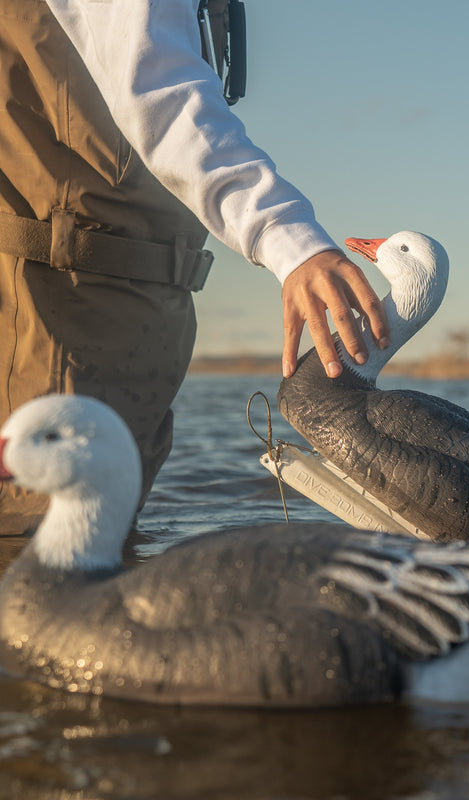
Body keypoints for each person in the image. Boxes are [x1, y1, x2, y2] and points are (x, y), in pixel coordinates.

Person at [0, 0, 390, 533]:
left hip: (112, 319)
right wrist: (289, 238)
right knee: (46, 563)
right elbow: (162, 93)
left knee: (86, 557)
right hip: (60, 317)